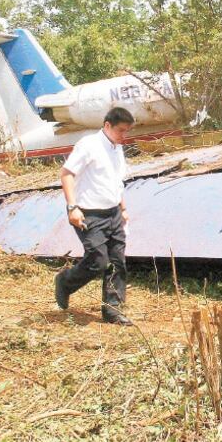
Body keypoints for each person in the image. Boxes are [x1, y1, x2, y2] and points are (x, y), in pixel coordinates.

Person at [54, 106, 135, 325]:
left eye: (127, 131)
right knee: (98, 261)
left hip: (113, 213)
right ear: (107, 125)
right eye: (120, 130)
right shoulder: (89, 145)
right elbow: (66, 173)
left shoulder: (117, 149)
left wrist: (123, 209)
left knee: (117, 261)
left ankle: (112, 310)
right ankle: (65, 282)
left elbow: (116, 182)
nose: (124, 135)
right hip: (89, 213)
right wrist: (72, 207)